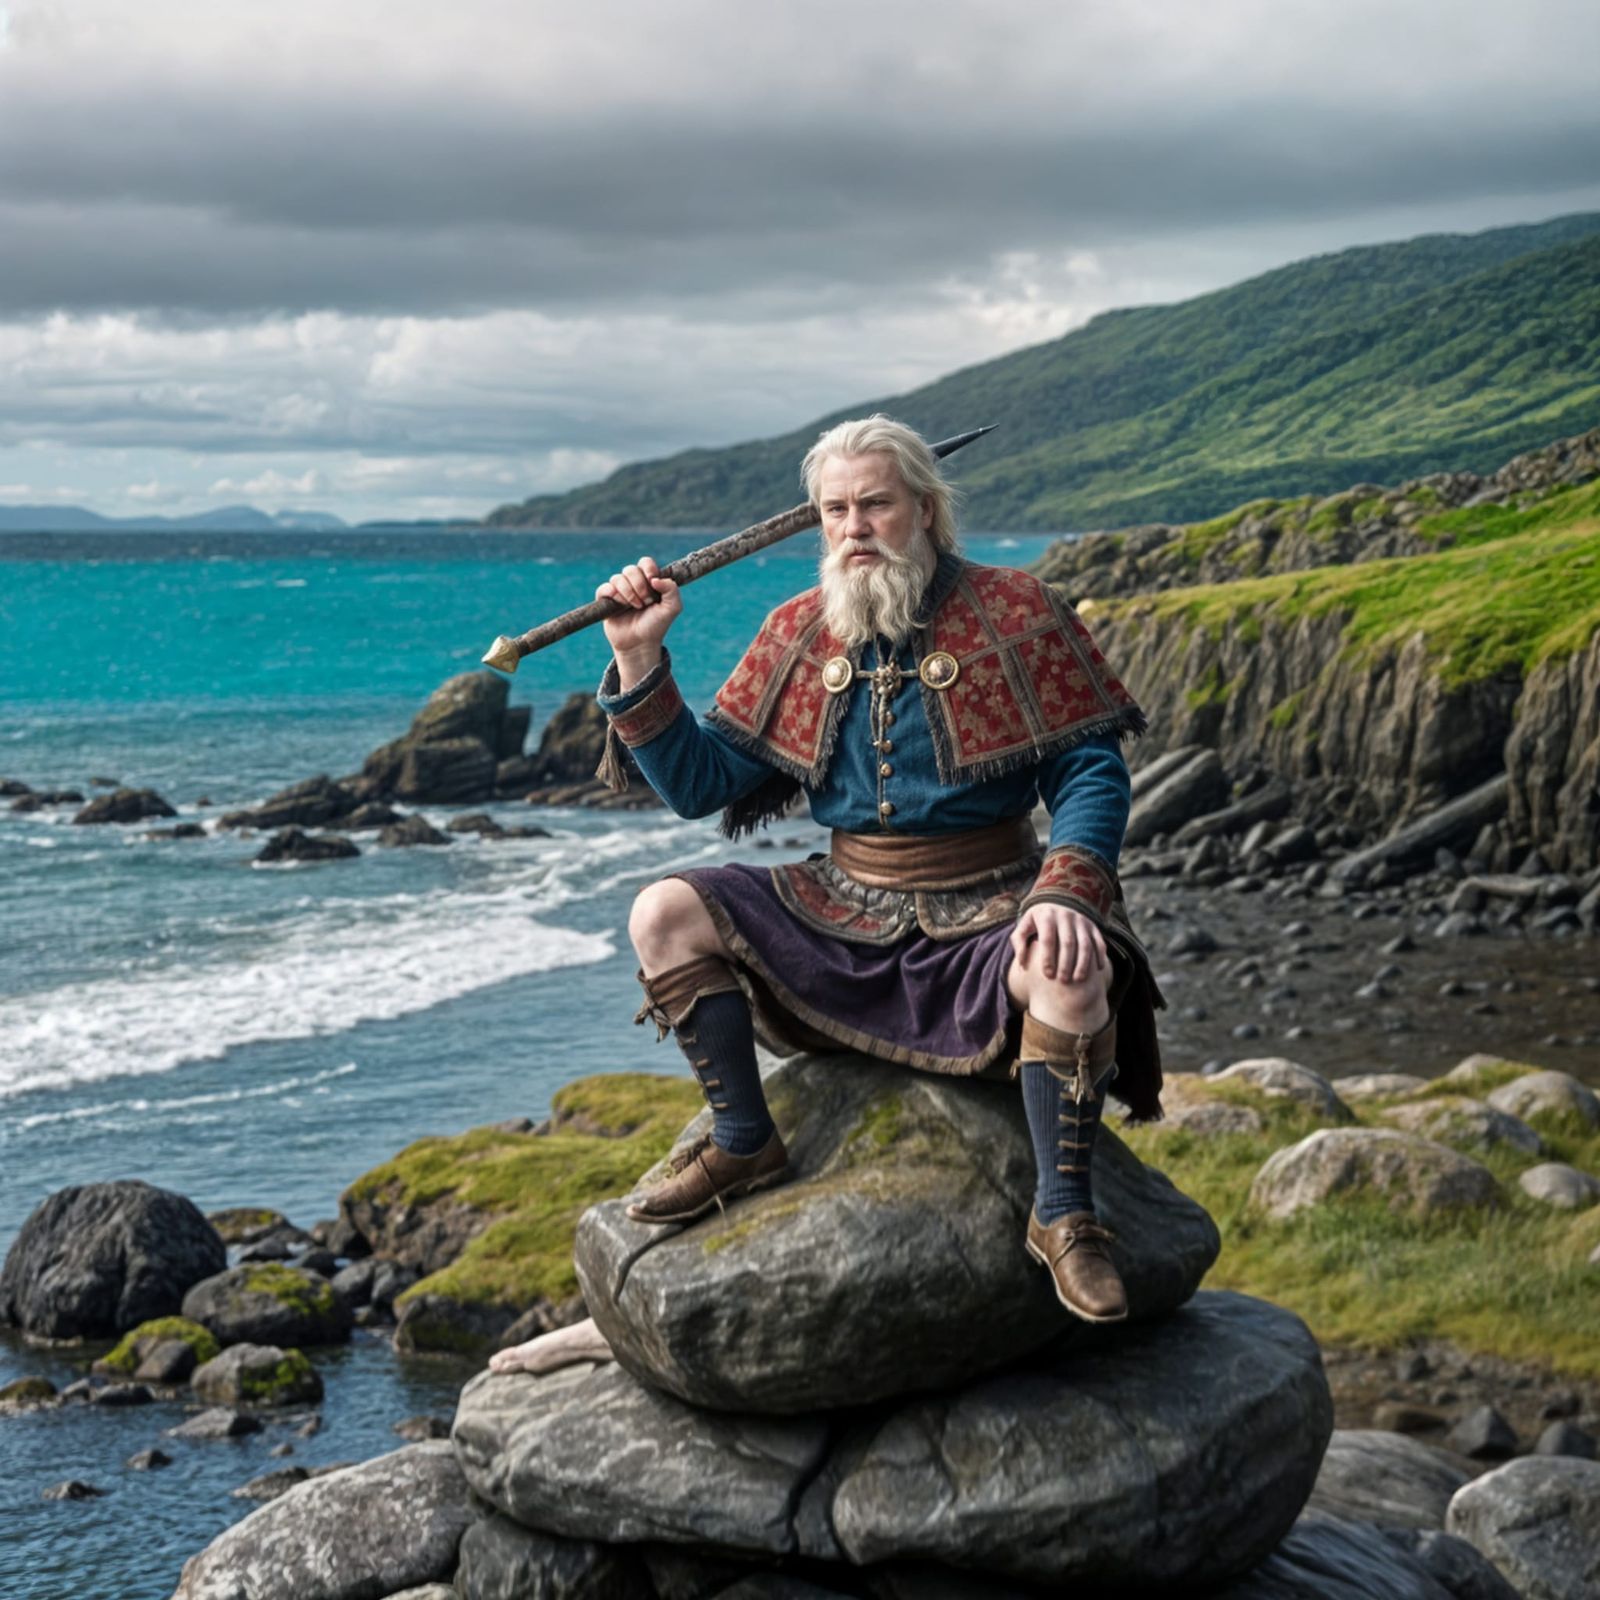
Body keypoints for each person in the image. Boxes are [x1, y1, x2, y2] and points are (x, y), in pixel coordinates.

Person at [495, 415, 1163, 1377]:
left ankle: (1065, 1216)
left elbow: (1093, 773)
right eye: (836, 509)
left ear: (925, 510)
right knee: (664, 912)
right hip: (843, 903)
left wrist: (1068, 891)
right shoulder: (800, 631)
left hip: (994, 897)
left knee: (1067, 969)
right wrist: (640, 657)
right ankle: (742, 1141)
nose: (854, 527)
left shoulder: (1019, 609)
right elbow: (699, 786)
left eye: (876, 504)